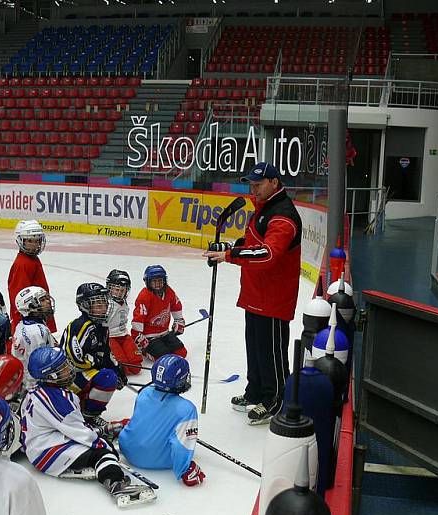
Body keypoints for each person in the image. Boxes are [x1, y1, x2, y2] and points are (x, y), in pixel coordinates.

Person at [203, 162, 302, 426]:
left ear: (274, 182)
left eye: (258, 184)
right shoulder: (263, 209)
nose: (253, 189)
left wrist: (229, 255)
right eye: (251, 184)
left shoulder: (283, 215)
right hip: (256, 294)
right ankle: (255, 391)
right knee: (255, 349)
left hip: (273, 298)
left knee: (271, 352)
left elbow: (267, 254)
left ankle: (275, 399)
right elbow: (252, 244)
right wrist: (228, 247)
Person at [20, 347, 155, 507]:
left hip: (38, 446)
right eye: (62, 368)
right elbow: (82, 433)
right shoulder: (58, 399)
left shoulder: (37, 392)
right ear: (52, 376)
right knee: (102, 453)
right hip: (47, 453)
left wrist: (104, 430)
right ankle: (116, 484)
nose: (68, 368)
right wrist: (104, 444)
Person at [119, 355, 206, 487]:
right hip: (154, 460)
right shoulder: (187, 409)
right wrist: (184, 469)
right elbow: (180, 444)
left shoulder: (144, 392)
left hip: (127, 450)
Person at [60, 283, 127, 431]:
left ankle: (85, 406)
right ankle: (89, 416)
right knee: (108, 378)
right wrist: (97, 363)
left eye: (103, 302)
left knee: (112, 374)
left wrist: (117, 367)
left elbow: (105, 351)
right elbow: (73, 358)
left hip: (79, 375)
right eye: (97, 304)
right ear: (84, 306)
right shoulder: (81, 326)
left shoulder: (101, 325)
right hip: (67, 379)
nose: (102, 307)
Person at [8, 220, 57, 333]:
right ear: (21, 241)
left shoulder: (32, 259)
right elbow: (19, 298)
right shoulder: (22, 264)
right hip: (30, 321)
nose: (35, 244)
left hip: (38, 314)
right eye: (30, 241)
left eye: (37, 240)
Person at [131, 265, 187, 360]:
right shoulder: (144, 296)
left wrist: (179, 320)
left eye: (160, 280)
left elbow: (176, 305)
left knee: (181, 353)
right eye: (154, 281)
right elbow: (138, 317)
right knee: (163, 358)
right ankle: (145, 350)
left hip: (165, 333)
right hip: (149, 336)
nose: (158, 284)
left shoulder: (168, 291)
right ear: (148, 282)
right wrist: (137, 334)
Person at [12, 286, 56, 389]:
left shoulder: (23, 324)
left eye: (46, 298)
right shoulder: (35, 332)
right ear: (30, 305)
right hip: (34, 387)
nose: (48, 302)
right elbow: (37, 366)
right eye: (42, 300)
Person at [104, 269, 143, 376]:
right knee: (122, 369)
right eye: (116, 289)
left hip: (124, 335)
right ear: (109, 288)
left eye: (122, 290)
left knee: (136, 367)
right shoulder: (106, 304)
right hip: (110, 338)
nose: (119, 293)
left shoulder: (124, 302)